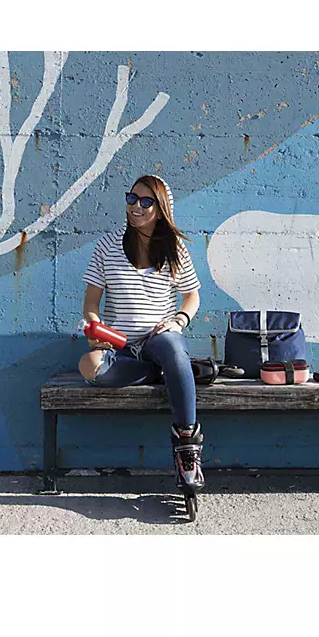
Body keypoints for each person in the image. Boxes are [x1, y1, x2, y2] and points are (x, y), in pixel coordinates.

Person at [78, 175, 204, 493]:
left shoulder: (174, 249)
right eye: (132, 198)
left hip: (158, 338)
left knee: (173, 348)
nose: (136, 206)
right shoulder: (108, 245)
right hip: (119, 345)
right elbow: (91, 303)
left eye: (146, 201)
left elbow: (192, 296)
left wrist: (179, 320)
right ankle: (158, 373)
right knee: (88, 366)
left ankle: (186, 445)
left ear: (160, 210)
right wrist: (94, 328)